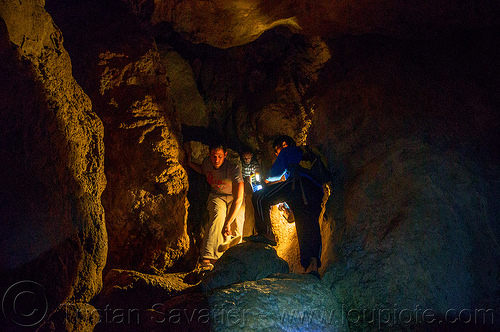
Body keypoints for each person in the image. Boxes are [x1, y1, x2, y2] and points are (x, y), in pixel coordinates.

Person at [246, 135, 325, 277]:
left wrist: (266, 179)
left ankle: (266, 233)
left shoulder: (289, 151)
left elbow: (274, 174)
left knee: (259, 197)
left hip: (298, 185)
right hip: (315, 193)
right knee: (308, 226)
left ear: (283, 144)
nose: (278, 155)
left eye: (277, 152)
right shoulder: (308, 153)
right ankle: (312, 267)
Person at [185, 140, 245, 269]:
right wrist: (189, 162)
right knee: (217, 216)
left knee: (236, 223)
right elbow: (202, 170)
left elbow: (238, 198)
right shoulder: (207, 162)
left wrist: (228, 222)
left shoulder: (233, 168)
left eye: (219, 156)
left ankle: (234, 258)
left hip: (235, 198)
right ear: (210, 155)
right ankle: (208, 257)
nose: (216, 159)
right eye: (213, 156)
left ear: (225, 155)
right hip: (217, 196)